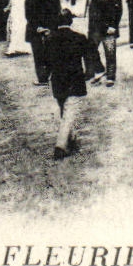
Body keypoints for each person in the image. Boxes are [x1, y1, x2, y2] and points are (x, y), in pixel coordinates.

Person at [42, 9, 104, 158]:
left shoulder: (50, 39)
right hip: (75, 79)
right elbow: (90, 55)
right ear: (70, 21)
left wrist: (46, 75)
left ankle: (71, 138)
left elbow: (45, 62)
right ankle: (61, 145)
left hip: (57, 81)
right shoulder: (79, 38)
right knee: (69, 113)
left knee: (64, 109)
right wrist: (91, 72)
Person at [86, 0, 124, 85]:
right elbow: (92, 9)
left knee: (110, 53)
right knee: (91, 49)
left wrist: (113, 26)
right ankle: (100, 70)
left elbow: (118, 10)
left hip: (108, 26)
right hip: (96, 27)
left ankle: (110, 77)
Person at [25, 0, 64, 85]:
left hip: (35, 30)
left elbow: (28, 15)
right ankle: (50, 74)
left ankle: (42, 78)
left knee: (38, 54)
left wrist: (38, 27)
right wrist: (49, 28)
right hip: (50, 30)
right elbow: (57, 14)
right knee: (50, 52)